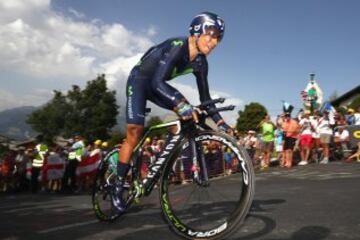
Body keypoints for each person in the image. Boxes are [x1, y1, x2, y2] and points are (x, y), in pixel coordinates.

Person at [112, 12, 233, 212]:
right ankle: (117, 186)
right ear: (196, 31)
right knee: (134, 133)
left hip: (157, 85)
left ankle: (159, 166)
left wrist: (220, 123)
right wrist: (180, 103)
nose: (214, 42)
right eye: (210, 35)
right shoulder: (178, 45)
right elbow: (157, 82)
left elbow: (205, 99)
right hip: (140, 81)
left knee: (190, 114)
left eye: (218, 38)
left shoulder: (201, 63)